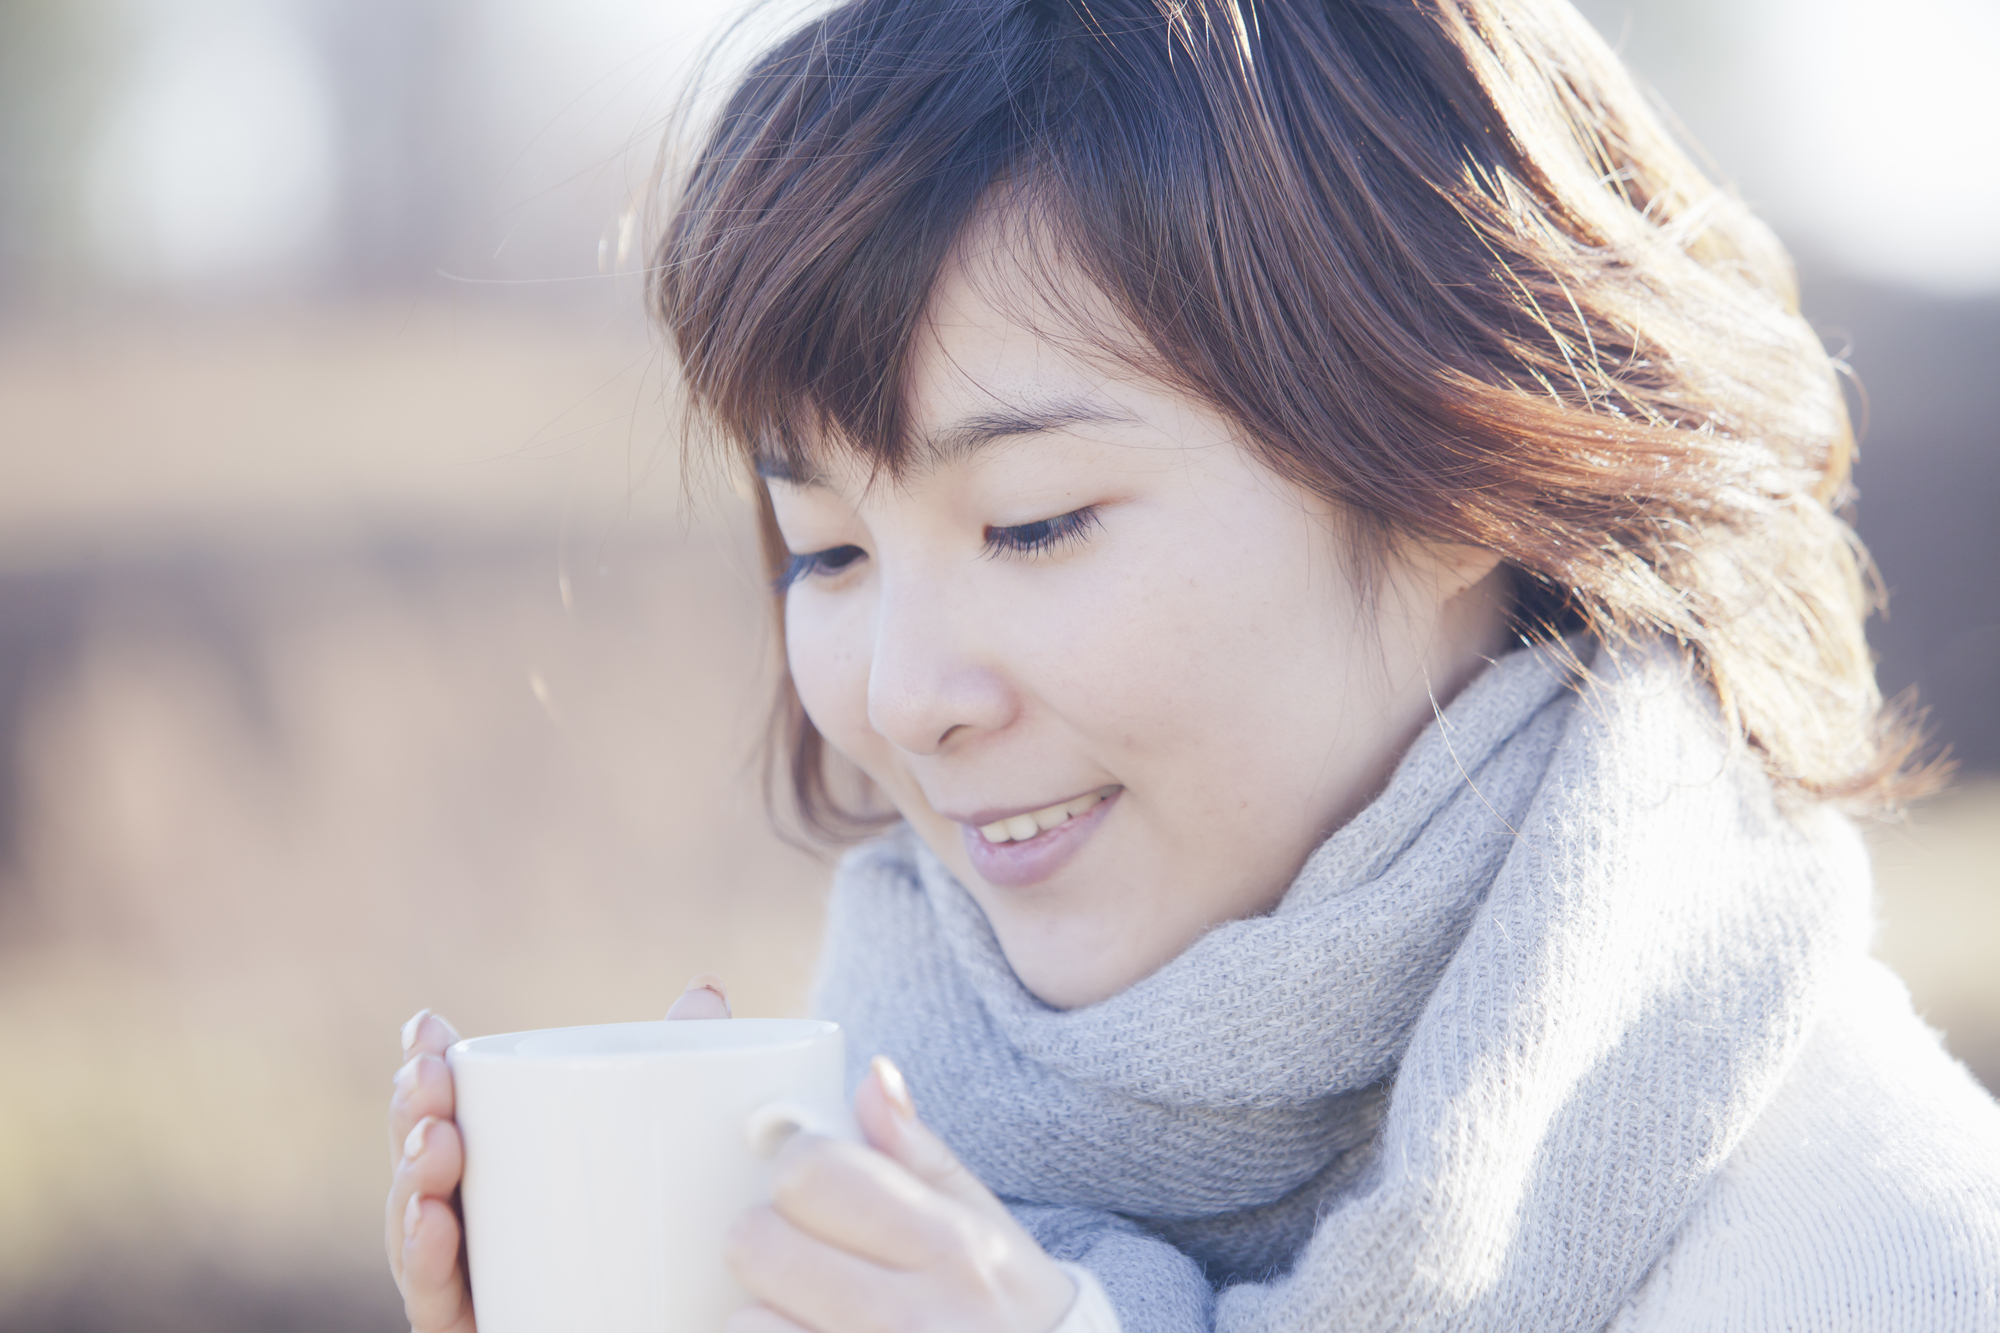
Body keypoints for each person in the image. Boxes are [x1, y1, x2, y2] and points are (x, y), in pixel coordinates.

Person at [385, 0, 2000, 1328]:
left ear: (1452, 478)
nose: (899, 694)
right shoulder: (869, 1195)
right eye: (829, 550)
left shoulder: (1879, 1247)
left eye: (1032, 522)